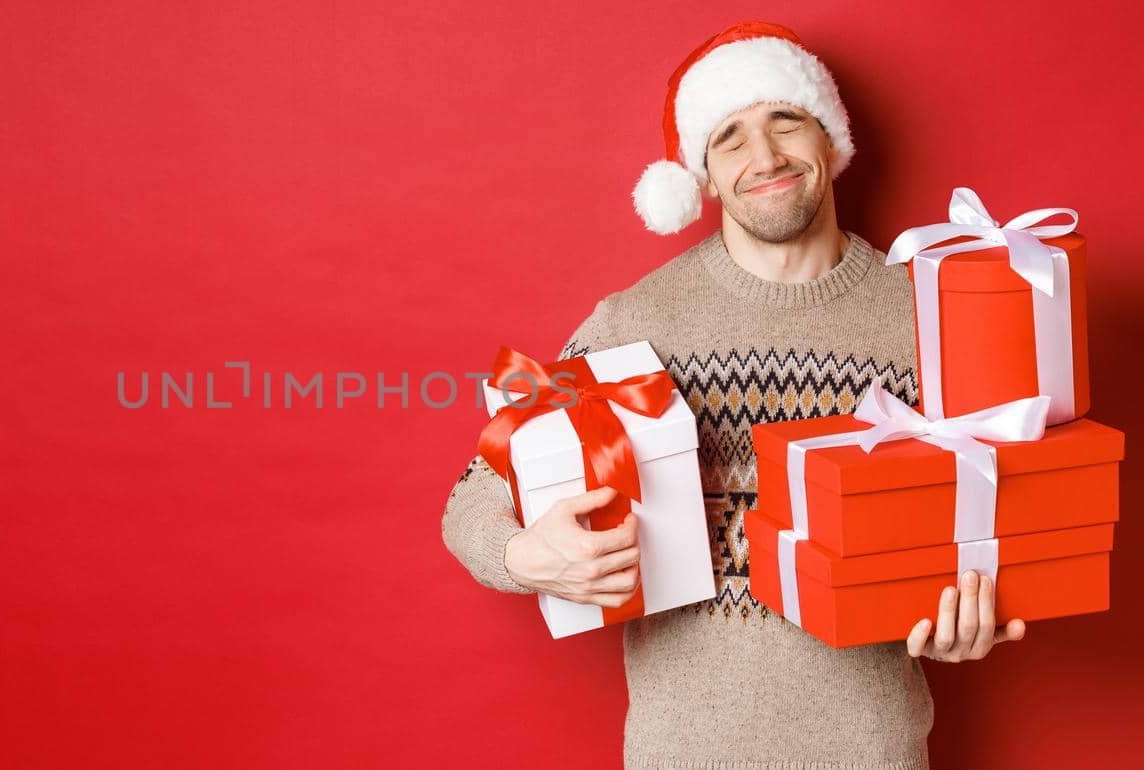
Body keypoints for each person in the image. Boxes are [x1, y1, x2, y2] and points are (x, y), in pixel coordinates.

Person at [440, 20, 1026, 770]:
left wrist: (969, 617)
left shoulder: (927, 318)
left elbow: (988, 530)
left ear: (831, 142)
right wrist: (527, 553)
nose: (766, 156)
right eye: (730, 138)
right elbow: (472, 499)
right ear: (703, 179)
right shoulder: (633, 321)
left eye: (788, 121)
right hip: (680, 753)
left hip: (872, 752)